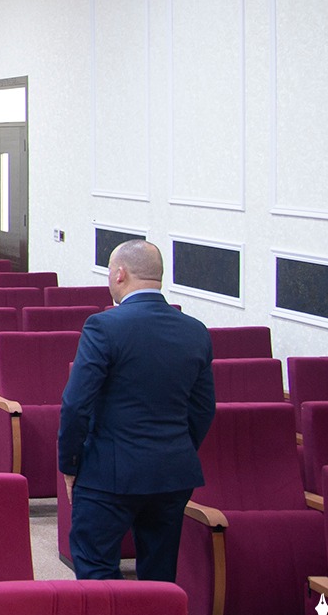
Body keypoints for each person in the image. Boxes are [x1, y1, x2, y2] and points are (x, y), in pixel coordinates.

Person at [58, 238, 215, 583]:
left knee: (96, 567)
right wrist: (176, 446)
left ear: (120, 274)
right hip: (173, 472)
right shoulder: (195, 331)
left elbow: (76, 404)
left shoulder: (104, 326)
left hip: (109, 472)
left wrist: (69, 465)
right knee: (160, 574)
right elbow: (203, 408)